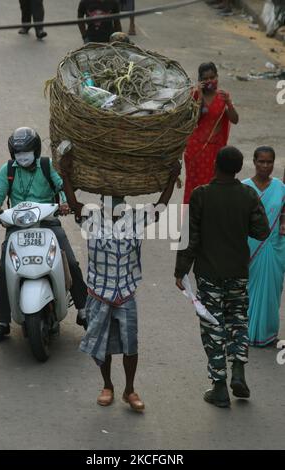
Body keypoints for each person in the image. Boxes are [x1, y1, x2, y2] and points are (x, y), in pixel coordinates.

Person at [60, 152, 181, 410]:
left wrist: (172, 177)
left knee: (131, 344)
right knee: (101, 344)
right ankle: (107, 385)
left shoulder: (136, 218)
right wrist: (66, 174)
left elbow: (160, 206)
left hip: (126, 291)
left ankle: (129, 389)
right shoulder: (91, 217)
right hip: (98, 292)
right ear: (103, 203)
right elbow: (72, 202)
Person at [175, 146, 270, 408]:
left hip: (208, 274)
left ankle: (219, 387)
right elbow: (262, 231)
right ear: (239, 168)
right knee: (238, 322)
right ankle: (238, 370)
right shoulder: (248, 195)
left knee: (213, 326)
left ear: (215, 165)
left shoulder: (201, 195)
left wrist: (180, 271)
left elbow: (189, 237)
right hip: (238, 272)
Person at [0, 127, 87, 342]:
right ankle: (4, 322)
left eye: (26, 151)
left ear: (36, 150)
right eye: (17, 152)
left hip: (48, 223)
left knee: (69, 260)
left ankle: (84, 309)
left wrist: (63, 203)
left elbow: (61, 186)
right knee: (4, 269)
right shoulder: (8, 170)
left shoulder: (46, 166)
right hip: (17, 226)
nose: (21, 156)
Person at [242, 146, 285, 347]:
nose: (265, 166)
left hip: (274, 247)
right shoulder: (243, 188)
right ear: (254, 162)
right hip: (249, 248)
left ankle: (267, 333)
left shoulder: (281, 188)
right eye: (261, 161)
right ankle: (246, 332)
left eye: (269, 162)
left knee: (272, 292)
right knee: (247, 290)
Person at [183, 62, 239, 204]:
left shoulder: (223, 97)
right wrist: (200, 96)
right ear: (200, 80)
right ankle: (191, 221)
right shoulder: (194, 95)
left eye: (212, 77)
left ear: (217, 77)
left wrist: (229, 103)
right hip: (196, 149)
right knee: (194, 184)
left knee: (215, 184)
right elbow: (193, 119)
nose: (209, 81)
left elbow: (235, 119)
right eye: (205, 79)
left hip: (215, 150)